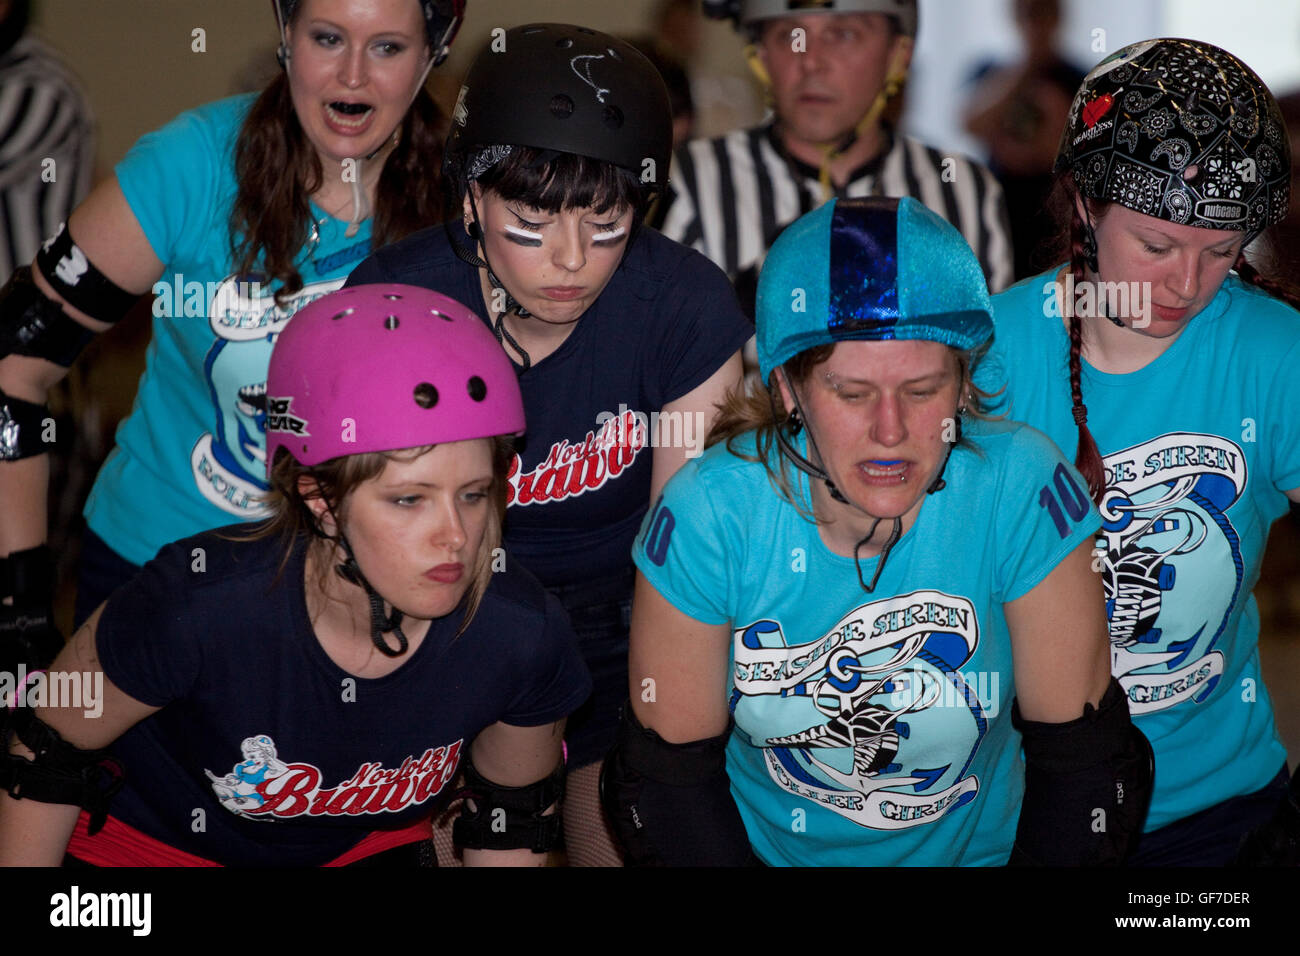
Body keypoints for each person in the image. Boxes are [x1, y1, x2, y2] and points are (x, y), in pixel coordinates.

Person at [603, 195, 1153, 866]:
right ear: (787, 388)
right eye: (852, 393)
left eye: (922, 391)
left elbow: (1086, 766)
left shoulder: (1021, 485)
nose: (889, 433)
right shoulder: (709, 512)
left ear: (964, 387)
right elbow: (667, 790)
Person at [0, 284, 591, 866]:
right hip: (152, 851)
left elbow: (509, 820)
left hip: (351, 852)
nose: (456, 537)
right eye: (410, 500)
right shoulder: (193, 607)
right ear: (320, 500)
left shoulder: (521, 632)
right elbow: (43, 758)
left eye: (473, 494)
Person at [345, 23, 750, 865]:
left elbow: (681, 558)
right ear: (471, 200)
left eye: (606, 222)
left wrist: (653, 753)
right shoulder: (396, 300)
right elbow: (363, 540)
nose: (570, 260)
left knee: (626, 829)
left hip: (625, 616)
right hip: (439, 611)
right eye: (530, 221)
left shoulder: (683, 307)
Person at [0, 0, 466, 677]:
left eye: (388, 48)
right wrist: (18, 610)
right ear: (285, 32)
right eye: (328, 38)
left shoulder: (467, 201)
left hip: (367, 600)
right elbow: (16, 359)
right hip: (156, 567)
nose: (353, 77)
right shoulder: (192, 165)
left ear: (434, 52)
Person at [977, 38, 1300, 866]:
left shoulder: (1274, 353)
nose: (1189, 284)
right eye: (1157, 245)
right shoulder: (989, 356)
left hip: (1219, 811)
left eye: (1222, 250)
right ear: (1085, 204)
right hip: (1016, 808)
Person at [661, 0, 1013, 319]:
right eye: (789, 35)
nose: (811, 61)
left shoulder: (966, 190)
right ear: (761, 53)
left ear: (899, 54)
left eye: (844, 34)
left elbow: (991, 370)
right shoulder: (688, 180)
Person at [963, 0, 1084, 280]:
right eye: (1028, 14)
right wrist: (1026, 68)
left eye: (1041, 13)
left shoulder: (1079, 79)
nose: (1034, 24)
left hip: (1058, 218)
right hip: (1001, 213)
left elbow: (1076, 146)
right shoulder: (992, 72)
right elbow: (972, 123)